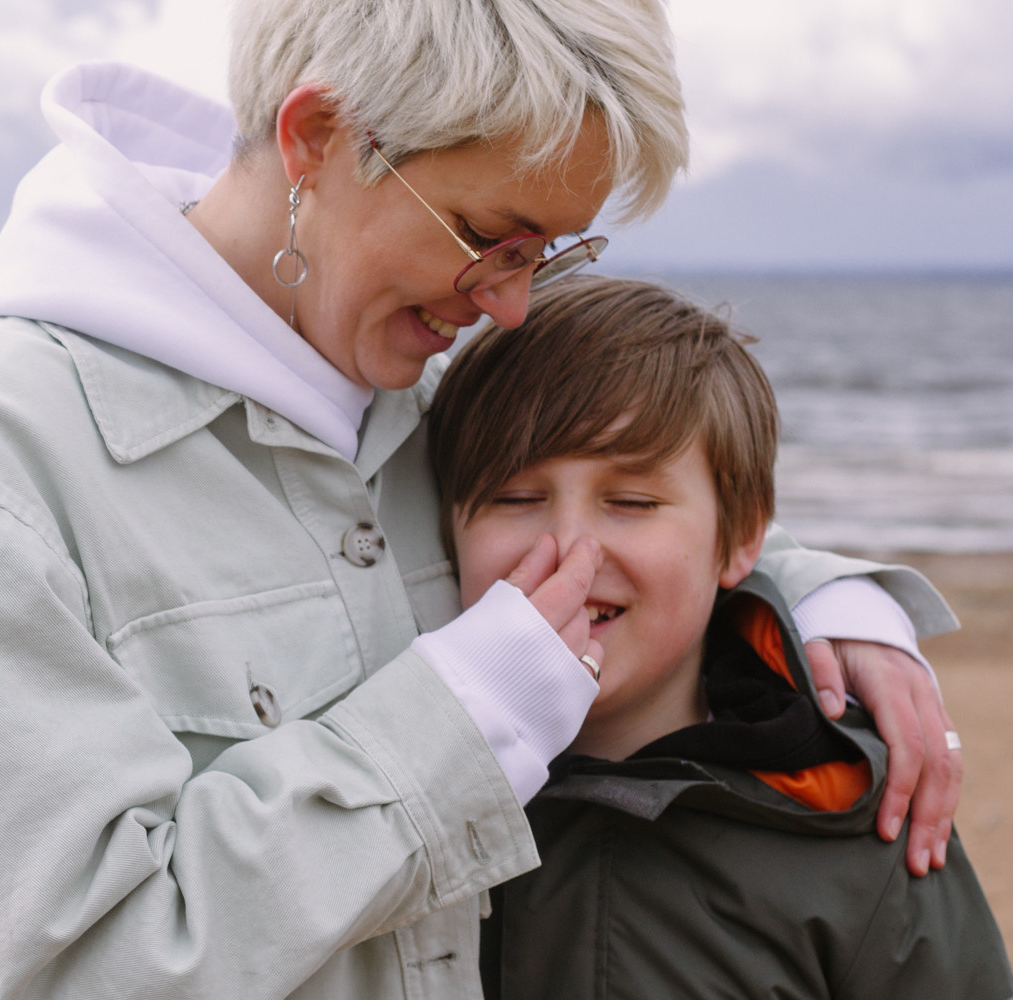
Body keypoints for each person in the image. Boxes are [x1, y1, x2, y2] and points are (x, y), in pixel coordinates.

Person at [0, 1, 960, 997]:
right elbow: (77, 962)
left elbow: (643, 494)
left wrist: (830, 600)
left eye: (548, 254)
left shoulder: (419, 379)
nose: (509, 305)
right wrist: (460, 719)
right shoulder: (11, 461)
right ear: (317, 139)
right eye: (492, 235)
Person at [427, 275, 1012, 999]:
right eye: (514, 497)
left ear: (738, 537)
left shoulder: (861, 824)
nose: (572, 553)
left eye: (632, 501)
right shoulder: (403, 797)